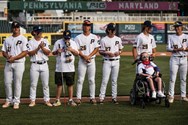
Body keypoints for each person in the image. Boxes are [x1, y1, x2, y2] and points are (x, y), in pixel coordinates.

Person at [1, 21, 28, 109]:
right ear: (12, 28)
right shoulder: (7, 39)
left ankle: (16, 101)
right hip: (9, 63)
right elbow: (3, 51)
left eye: (17, 27)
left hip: (19, 63)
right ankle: (8, 100)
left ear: (19, 28)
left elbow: (25, 52)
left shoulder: (23, 39)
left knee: (17, 83)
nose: (15, 29)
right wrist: (8, 56)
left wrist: (14, 58)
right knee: (7, 82)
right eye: (14, 27)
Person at [75, 20, 100, 105]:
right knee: (80, 80)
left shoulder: (94, 37)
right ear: (83, 26)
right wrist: (84, 57)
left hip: (91, 60)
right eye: (85, 25)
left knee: (91, 80)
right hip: (82, 60)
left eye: (88, 25)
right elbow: (77, 50)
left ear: (90, 27)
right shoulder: (78, 37)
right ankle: (78, 98)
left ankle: (92, 97)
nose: (86, 27)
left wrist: (89, 56)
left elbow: (96, 48)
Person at [52, 30, 79, 107]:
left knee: (70, 84)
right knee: (59, 84)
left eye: (68, 38)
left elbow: (77, 54)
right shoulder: (58, 42)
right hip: (60, 67)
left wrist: (72, 50)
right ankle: (57, 100)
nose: (67, 39)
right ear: (63, 36)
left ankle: (70, 100)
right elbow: (53, 53)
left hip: (70, 68)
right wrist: (57, 51)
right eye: (65, 38)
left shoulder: (73, 43)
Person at [99, 23, 123, 104]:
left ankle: (114, 97)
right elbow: (100, 51)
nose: (114, 31)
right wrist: (107, 53)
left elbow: (120, 49)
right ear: (108, 30)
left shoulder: (118, 39)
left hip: (116, 61)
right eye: (112, 30)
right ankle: (101, 97)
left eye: (115, 30)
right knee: (105, 80)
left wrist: (118, 52)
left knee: (114, 81)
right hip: (107, 61)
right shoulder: (103, 40)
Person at [27, 25, 52, 107]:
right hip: (35, 64)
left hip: (44, 64)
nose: (41, 33)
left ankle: (47, 100)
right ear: (34, 32)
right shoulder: (30, 42)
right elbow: (30, 53)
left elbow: (48, 52)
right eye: (39, 31)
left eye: (41, 31)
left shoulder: (45, 41)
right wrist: (38, 48)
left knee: (46, 84)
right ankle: (32, 100)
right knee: (33, 84)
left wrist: (42, 48)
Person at [167, 21, 188, 103]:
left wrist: (184, 49)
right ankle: (171, 96)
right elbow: (168, 48)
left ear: (182, 27)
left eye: (179, 26)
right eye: (176, 27)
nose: (177, 28)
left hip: (184, 58)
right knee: (172, 78)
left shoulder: (186, 36)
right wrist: (175, 49)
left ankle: (183, 96)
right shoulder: (171, 37)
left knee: (183, 78)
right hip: (174, 58)